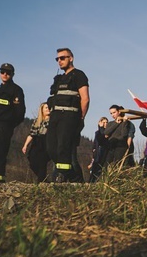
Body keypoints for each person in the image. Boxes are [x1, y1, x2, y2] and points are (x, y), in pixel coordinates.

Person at [46, 48, 89, 183]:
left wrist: (80, 117)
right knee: (51, 146)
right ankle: (73, 177)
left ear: (71, 58)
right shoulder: (58, 79)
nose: (59, 61)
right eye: (57, 59)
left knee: (64, 147)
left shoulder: (79, 75)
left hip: (70, 115)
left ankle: (62, 176)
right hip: (55, 116)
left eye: (62, 58)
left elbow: (85, 98)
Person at [22, 102, 51, 183]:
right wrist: (25, 145)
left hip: (46, 142)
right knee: (32, 161)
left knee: (42, 161)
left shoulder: (52, 121)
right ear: (42, 110)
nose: (48, 109)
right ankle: (43, 179)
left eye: (49, 107)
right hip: (36, 142)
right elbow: (31, 134)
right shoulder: (36, 121)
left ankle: (41, 180)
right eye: (46, 107)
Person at [89, 117, 109, 182]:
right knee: (95, 169)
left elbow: (102, 139)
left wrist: (102, 128)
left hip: (105, 152)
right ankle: (92, 181)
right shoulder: (97, 133)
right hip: (98, 153)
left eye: (106, 122)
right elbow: (96, 142)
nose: (105, 124)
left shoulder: (109, 132)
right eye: (104, 122)